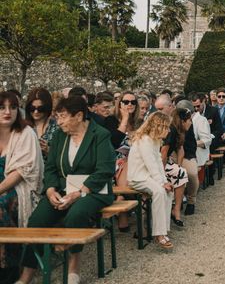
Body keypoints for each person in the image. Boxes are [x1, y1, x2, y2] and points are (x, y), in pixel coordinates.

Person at [18, 96, 115, 284]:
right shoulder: (60, 135)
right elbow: (52, 167)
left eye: (62, 116)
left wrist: (79, 192)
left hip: (93, 190)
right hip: (63, 189)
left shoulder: (100, 134)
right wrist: (50, 189)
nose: (58, 121)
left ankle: (73, 267)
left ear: (78, 116)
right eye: (57, 116)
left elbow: (105, 170)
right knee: (37, 220)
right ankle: (27, 274)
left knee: (76, 214)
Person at [0, 91, 44, 281]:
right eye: (2, 107)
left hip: (18, 189)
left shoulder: (26, 133)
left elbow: (21, 172)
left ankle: (7, 266)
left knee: (3, 204)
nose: (7, 112)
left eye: (13, 107)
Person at [127, 112, 174, 249]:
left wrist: (164, 181)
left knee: (168, 191)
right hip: (138, 177)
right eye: (167, 127)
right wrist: (161, 183)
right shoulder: (145, 140)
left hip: (147, 176)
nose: (169, 130)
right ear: (159, 127)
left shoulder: (154, 140)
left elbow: (158, 162)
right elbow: (150, 164)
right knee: (159, 191)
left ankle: (164, 229)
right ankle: (159, 234)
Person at [112, 91, 141, 230]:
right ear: (120, 104)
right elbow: (114, 143)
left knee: (132, 161)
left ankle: (122, 200)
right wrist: (124, 119)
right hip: (115, 158)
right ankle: (122, 198)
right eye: (126, 102)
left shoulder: (139, 123)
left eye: (133, 102)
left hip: (137, 159)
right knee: (126, 162)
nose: (130, 104)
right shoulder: (112, 121)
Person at [160, 108, 188, 227]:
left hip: (167, 162)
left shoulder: (178, 131)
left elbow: (181, 150)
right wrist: (161, 173)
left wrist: (178, 165)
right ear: (182, 121)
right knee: (180, 173)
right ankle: (175, 209)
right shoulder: (170, 130)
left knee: (181, 172)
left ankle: (176, 209)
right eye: (189, 120)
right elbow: (163, 152)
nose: (190, 123)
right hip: (158, 162)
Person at [174, 100, 200, 215]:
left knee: (192, 173)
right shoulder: (170, 123)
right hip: (172, 154)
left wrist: (189, 157)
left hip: (187, 154)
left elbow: (191, 144)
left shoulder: (188, 123)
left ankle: (191, 201)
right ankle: (176, 203)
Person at [24, 87, 58, 160]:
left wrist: (48, 150)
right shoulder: (22, 126)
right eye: (32, 108)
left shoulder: (57, 127)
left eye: (40, 109)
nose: (36, 112)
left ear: (47, 107)